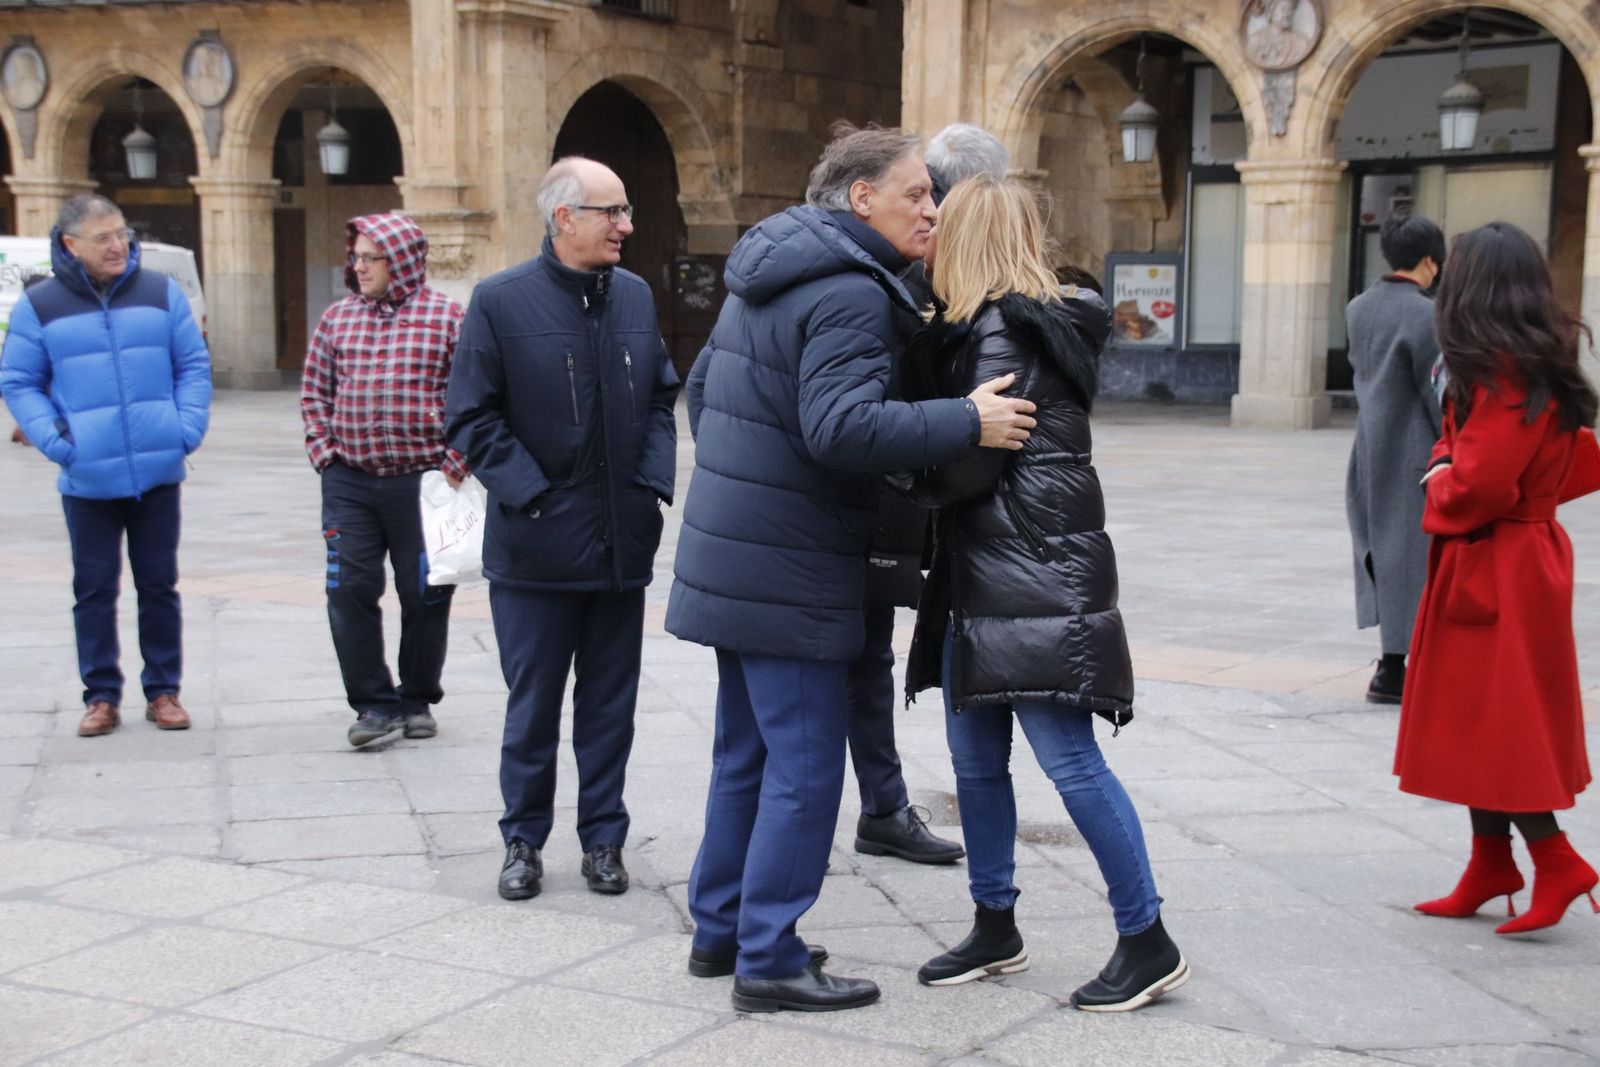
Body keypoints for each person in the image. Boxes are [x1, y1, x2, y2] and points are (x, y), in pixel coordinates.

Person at [667, 124, 1038, 1014]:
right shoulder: (848, 291)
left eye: (934, 194)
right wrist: (963, 419)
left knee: (744, 756)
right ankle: (771, 957)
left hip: (735, 551)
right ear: (860, 197)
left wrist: (745, 485)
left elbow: (704, 395)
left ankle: (722, 931)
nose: (933, 207)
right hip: (789, 564)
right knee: (803, 765)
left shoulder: (772, 269)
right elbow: (840, 428)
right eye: (916, 192)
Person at [902, 175, 1187, 1012]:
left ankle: (1147, 937)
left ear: (969, 239)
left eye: (942, 225)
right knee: (975, 764)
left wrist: (913, 439)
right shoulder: (988, 326)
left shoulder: (1004, 331)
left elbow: (964, 466)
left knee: (1070, 762)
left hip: (1029, 576)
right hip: (986, 574)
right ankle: (996, 925)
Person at [446, 157, 679, 902]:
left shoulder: (637, 297)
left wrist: (649, 486)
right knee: (534, 707)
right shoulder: (500, 301)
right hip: (535, 550)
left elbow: (662, 396)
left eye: (625, 210)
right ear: (564, 218)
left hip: (620, 549)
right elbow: (470, 415)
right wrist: (534, 495)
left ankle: (604, 839)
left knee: (610, 708)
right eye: (612, 212)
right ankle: (522, 839)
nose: (626, 225)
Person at [1397, 221, 1600, 935]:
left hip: (1499, 562)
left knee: (1500, 721)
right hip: (1508, 556)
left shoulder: (1506, 367)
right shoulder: (1521, 360)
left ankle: (1555, 858)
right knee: (1478, 717)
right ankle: (1492, 860)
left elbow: (1479, 480)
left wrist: (1441, 473)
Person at [850, 122, 1010, 867]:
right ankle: (881, 804)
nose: (928, 217)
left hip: (900, 483)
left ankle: (881, 803)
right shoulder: (908, 274)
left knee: (868, 652)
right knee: (864, 651)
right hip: (888, 483)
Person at [0, 194, 211, 736]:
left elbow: (192, 364)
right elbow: (18, 381)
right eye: (104, 237)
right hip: (87, 476)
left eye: (122, 233)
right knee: (93, 588)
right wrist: (57, 440)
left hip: (158, 469)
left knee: (160, 584)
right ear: (71, 245)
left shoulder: (161, 292)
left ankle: (163, 691)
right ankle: (101, 696)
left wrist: (184, 428)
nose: (119, 245)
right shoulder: (40, 305)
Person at [301, 213, 468, 748]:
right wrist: (325, 454)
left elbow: (476, 396)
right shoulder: (337, 319)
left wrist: (455, 462)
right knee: (348, 589)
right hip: (349, 481)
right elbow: (314, 393)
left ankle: (417, 697)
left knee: (424, 594)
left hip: (423, 484)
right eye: (357, 256)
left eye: (371, 257)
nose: (360, 266)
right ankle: (373, 705)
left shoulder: (448, 318)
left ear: (402, 260)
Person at [1344, 212, 1446, 704]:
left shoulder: (1358, 307)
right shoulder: (1426, 314)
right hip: (1414, 448)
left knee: (1378, 547)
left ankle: (1393, 659)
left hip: (1368, 443)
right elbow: (1437, 388)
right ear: (1430, 261)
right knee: (1412, 555)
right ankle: (1395, 668)